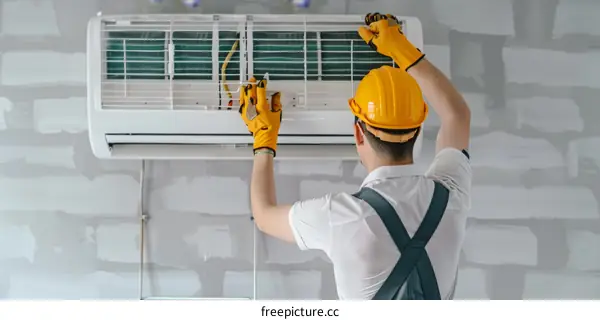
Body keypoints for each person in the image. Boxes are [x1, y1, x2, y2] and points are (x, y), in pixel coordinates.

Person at [239, 12, 472, 300]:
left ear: (359, 133)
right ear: (417, 129)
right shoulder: (450, 196)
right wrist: (402, 50)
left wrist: (264, 136)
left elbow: (263, 216)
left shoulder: (338, 217)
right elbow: (456, 115)